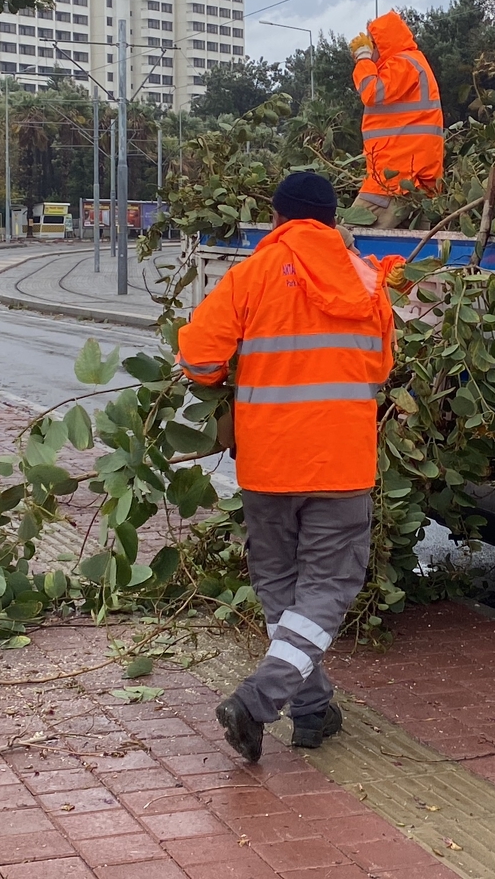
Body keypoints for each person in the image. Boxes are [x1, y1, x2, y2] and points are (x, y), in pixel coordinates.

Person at [176, 172, 404, 761]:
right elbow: (380, 368)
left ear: (278, 217)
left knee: (281, 586)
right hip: (340, 464)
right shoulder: (365, 279)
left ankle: (309, 709)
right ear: (332, 220)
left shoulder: (249, 275)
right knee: (327, 588)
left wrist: (225, 380)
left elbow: (198, 358)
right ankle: (264, 701)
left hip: (269, 464)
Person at [349, 10, 444, 228]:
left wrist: (363, 59)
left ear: (381, 42)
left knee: (350, 242)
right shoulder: (409, 64)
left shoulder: (403, 63)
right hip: (414, 178)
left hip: (394, 178)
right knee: (410, 252)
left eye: (372, 43)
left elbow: (371, 92)